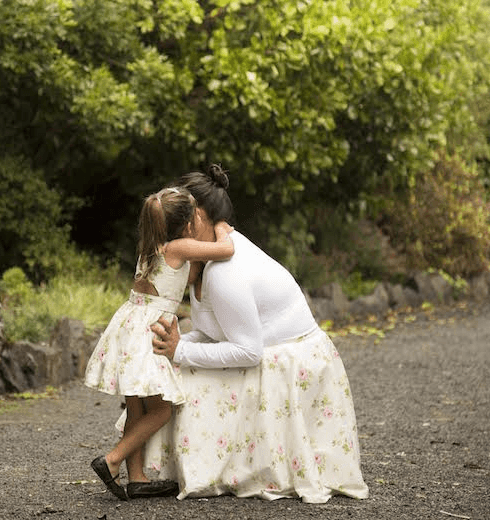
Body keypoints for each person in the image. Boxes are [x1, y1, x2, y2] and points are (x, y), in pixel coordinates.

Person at [145, 165, 369, 504]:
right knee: (166, 369)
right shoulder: (204, 259)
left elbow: (248, 351)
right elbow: (211, 334)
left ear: (199, 221)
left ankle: (208, 468)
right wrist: (169, 346)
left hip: (289, 362)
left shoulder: (224, 274)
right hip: (261, 350)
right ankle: (150, 468)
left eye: (179, 226)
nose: (171, 240)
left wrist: (180, 351)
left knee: (187, 382)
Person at [84, 186, 235, 500]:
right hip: (149, 332)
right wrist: (221, 227)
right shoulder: (178, 246)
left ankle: (137, 478)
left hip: (129, 324)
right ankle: (112, 461)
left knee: (136, 408)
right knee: (161, 411)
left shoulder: (150, 246)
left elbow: (187, 277)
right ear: (188, 224)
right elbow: (226, 250)